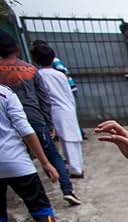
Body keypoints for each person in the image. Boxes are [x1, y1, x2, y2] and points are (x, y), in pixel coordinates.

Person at [0, 85, 79, 222]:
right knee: (42, 209)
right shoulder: (5, 93)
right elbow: (25, 129)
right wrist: (45, 162)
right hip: (16, 161)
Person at [0, 31, 81, 206]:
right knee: (53, 155)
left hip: (8, 122)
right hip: (35, 118)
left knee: (21, 157)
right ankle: (67, 189)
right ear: (16, 48)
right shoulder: (30, 69)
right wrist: (49, 123)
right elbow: (44, 98)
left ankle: (31, 195)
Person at [30, 41, 84, 178]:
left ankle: (74, 168)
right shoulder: (59, 74)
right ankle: (75, 166)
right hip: (67, 107)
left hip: (55, 109)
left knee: (66, 140)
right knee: (71, 139)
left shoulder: (39, 75)